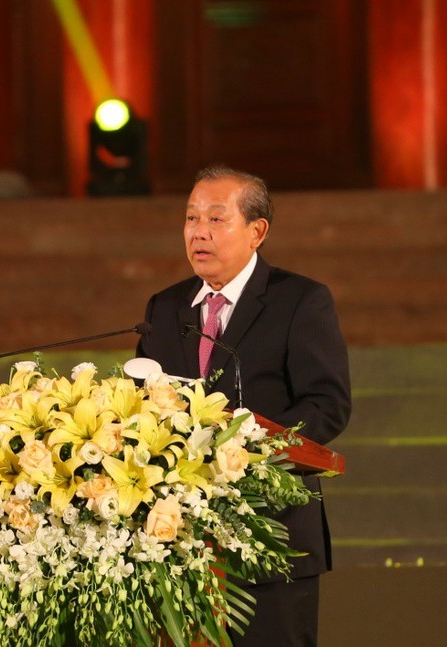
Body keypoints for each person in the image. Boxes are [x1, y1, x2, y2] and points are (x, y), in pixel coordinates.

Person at [137, 165, 351, 646]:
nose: (199, 232)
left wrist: (246, 447)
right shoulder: (165, 308)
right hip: (179, 543)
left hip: (271, 537)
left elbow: (328, 404)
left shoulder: (300, 301)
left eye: (216, 219)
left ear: (257, 231)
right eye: (191, 219)